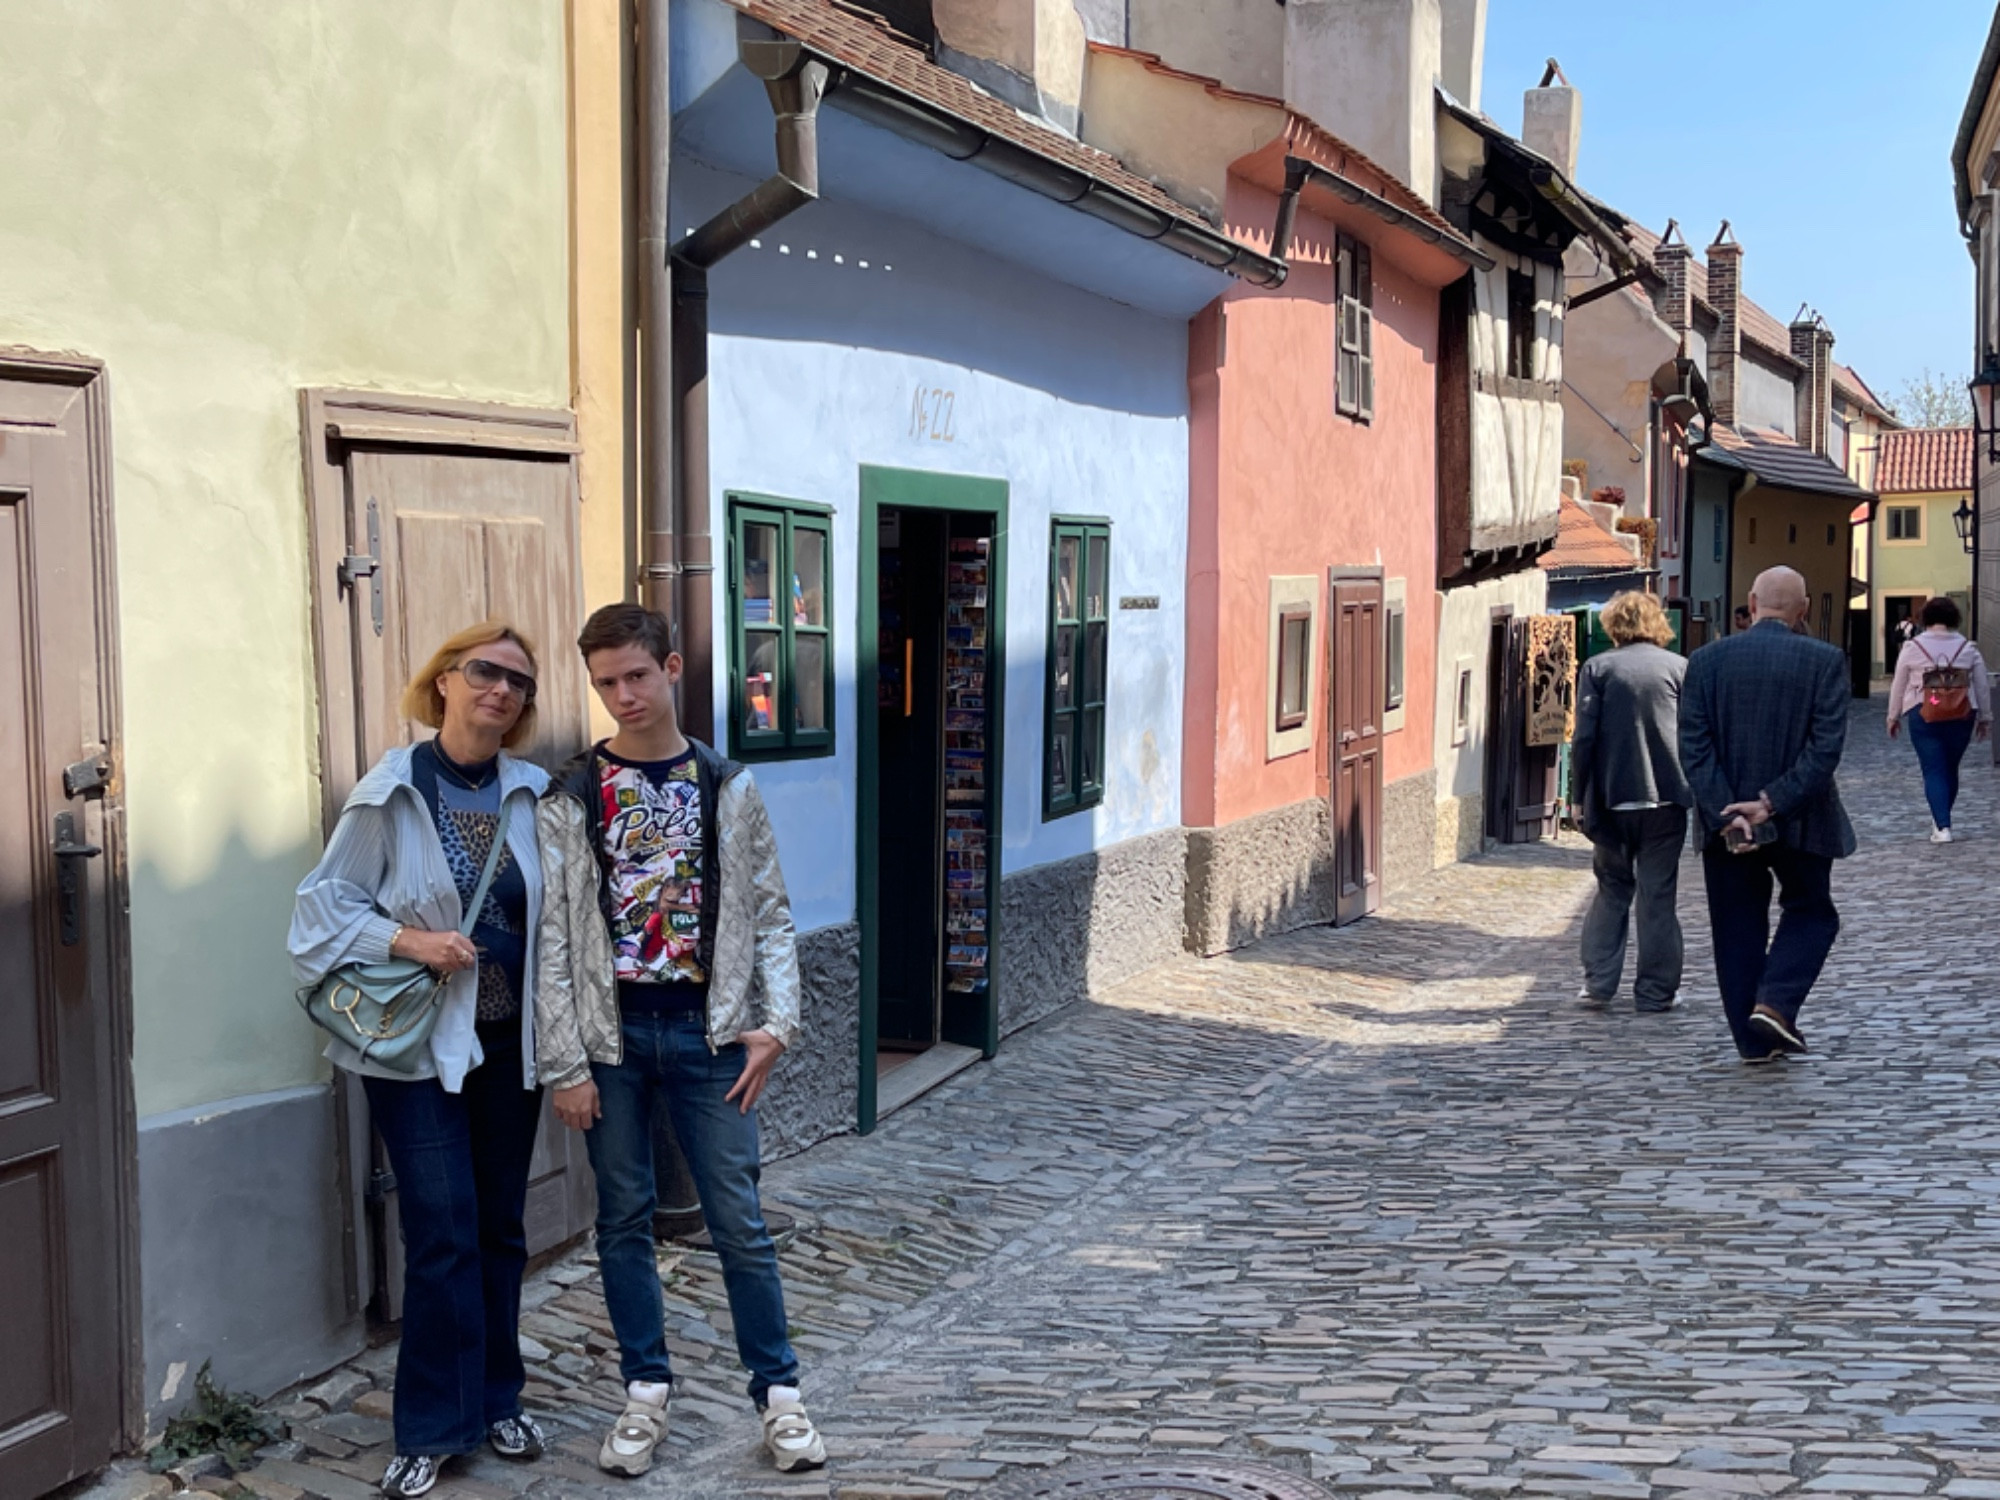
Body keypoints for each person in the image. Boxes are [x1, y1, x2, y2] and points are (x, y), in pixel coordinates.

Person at [534, 603, 824, 1477]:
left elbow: (771, 909)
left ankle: (779, 1397)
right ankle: (644, 1392)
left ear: (670, 668)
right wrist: (564, 1062)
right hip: (612, 1040)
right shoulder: (573, 791)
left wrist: (779, 1023)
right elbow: (555, 932)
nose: (622, 696)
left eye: (636, 676)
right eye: (605, 683)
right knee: (622, 1219)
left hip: (711, 1036)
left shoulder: (726, 785)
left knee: (739, 1221)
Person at [290, 623, 552, 1499]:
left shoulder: (535, 793)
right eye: (484, 671)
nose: (502, 691)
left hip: (510, 1048)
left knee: (500, 1230)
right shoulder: (395, 789)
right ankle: (433, 1427)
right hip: (415, 1053)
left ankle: (498, 1398)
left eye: (519, 680)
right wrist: (407, 938)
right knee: (441, 1233)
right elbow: (319, 916)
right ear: (443, 681)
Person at [1680, 566, 1855, 1064]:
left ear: (1752, 603)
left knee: (1737, 927)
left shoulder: (1705, 661)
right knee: (1812, 911)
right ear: (1802, 612)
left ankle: (1752, 1043)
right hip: (1802, 817)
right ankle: (1776, 1002)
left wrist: (1727, 811)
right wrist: (1771, 803)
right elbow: (1825, 750)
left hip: (1727, 823)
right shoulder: (1824, 660)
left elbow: (1694, 748)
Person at [1569, 592, 1692, 1012]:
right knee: (1658, 894)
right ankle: (1656, 992)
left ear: (1613, 625)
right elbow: (1694, 735)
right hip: (1666, 799)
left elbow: (1583, 738)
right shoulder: (1679, 669)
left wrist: (1577, 797)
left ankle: (1598, 983)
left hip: (1612, 797)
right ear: (1658, 623)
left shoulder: (1599, 668)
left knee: (1611, 888)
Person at [1887, 594, 1992, 842]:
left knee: (1933, 768)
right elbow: (1982, 684)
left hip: (1924, 712)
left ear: (1925, 619)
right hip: (1962, 713)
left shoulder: (1913, 647)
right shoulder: (1968, 648)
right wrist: (1985, 717)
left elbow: (1899, 683)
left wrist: (1893, 716)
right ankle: (1941, 819)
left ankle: (1942, 825)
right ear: (1954, 619)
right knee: (1950, 768)